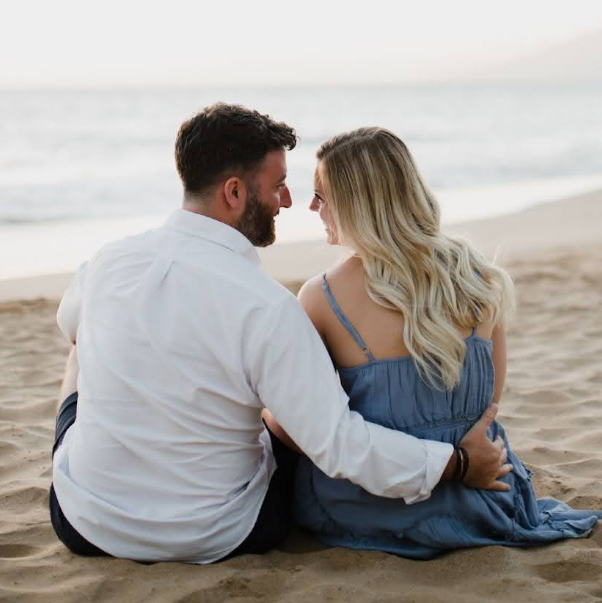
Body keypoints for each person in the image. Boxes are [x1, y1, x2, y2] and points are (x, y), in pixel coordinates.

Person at [49, 104, 510, 564]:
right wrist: (459, 464)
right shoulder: (267, 305)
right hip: (220, 532)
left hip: (87, 522)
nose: (288, 202)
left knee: (80, 355)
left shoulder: (107, 262)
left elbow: (70, 326)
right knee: (286, 424)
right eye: (278, 187)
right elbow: (339, 445)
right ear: (234, 192)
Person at [284, 126, 601, 559]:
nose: (312, 207)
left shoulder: (322, 296)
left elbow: (309, 426)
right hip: (486, 492)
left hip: (372, 506)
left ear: (358, 203)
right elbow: (489, 402)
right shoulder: (480, 278)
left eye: (321, 195)